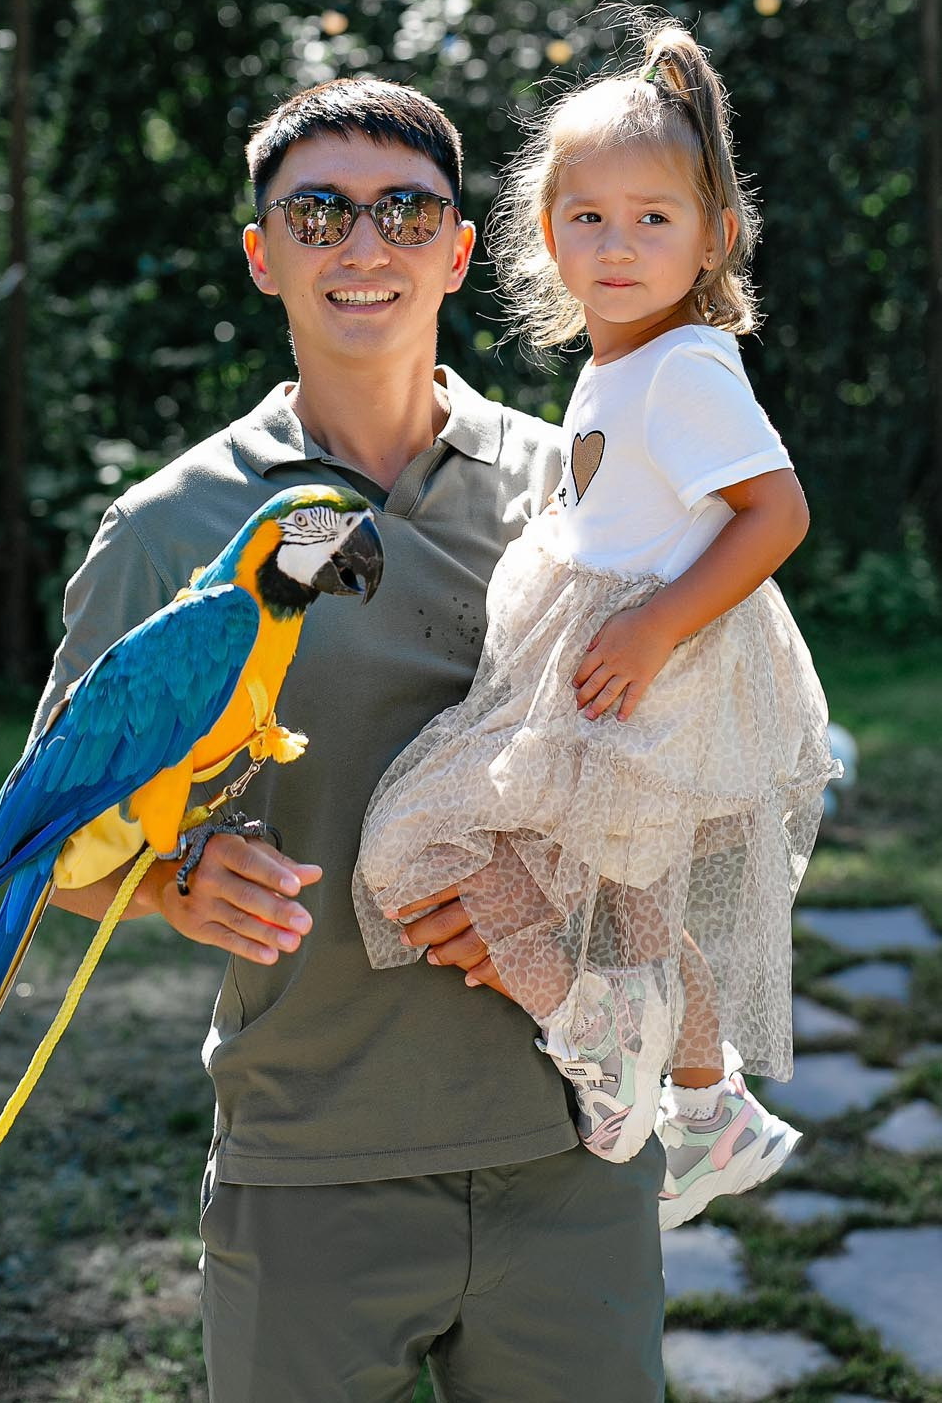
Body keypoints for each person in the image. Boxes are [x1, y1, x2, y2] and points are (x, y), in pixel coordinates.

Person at [33, 76, 666, 1402]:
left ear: (459, 249)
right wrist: (171, 882)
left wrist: (553, 893)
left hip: (573, 1152)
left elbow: (709, 786)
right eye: (316, 214)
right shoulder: (168, 531)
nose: (362, 246)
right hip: (309, 1165)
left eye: (402, 211)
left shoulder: (588, 489)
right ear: (263, 255)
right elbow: (44, 860)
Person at [355, 21, 837, 1231]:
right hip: (615, 657)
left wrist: (656, 627)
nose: (616, 246)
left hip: (653, 667)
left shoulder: (682, 366)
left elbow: (774, 512)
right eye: (587, 219)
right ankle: (703, 1101)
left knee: (410, 838)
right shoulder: (617, 365)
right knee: (632, 899)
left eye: (653, 219)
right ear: (546, 233)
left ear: (712, 234)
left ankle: (594, 1026)